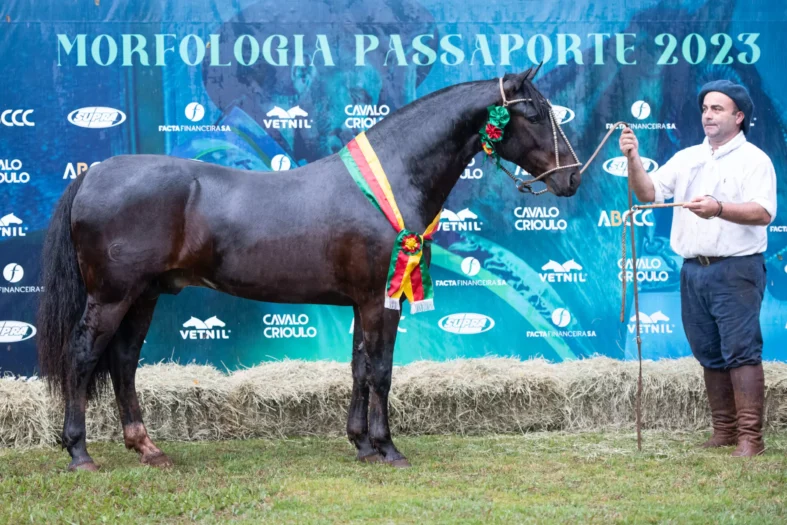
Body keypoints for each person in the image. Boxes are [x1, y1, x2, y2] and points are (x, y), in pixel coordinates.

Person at [619, 79, 777, 457]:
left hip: (737, 270)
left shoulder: (755, 160)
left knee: (741, 351)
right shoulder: (688, 156)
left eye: (717, 109)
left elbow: (764, 212)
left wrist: (719, 207)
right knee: (708, 350)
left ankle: (750, 439)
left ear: (739, 117)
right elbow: (647, 193)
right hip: (693, 270)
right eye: (705, 108)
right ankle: (724, 431)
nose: (708, 115)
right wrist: (633, 159)